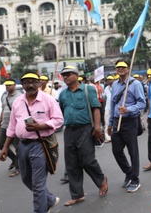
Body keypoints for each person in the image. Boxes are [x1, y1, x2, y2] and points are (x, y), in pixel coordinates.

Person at [0, 72, 63, 213]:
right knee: (26, 179)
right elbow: (12, 126)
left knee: (38, 184)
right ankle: (50, 200)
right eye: (27, 82)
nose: (30, 85)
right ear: (23, 85)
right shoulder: (18, 101)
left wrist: (42, 125)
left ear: (39, 84)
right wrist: (4, 148)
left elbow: (59, 120)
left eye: (33, 81)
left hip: (40, 145)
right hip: (22, 145)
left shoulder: (48, 99)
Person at [58, 66, 108, 206]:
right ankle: (77, 195)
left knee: (88, 160)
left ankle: (102, 180)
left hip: (86, 129)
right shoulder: (63, 94)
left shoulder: (88, 89)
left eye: (68, 74)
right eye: (64, 75)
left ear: (76, 75)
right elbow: (62, 111)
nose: (65, 77)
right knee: (71, 164)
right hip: (69, 131)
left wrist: (97, 127)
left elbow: (96, 108)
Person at [107, 60, 146, 193]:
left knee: (132, 151)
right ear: (116, 70)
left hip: (130, 121)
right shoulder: (115, 85)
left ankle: (135, 179)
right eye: (118, 68)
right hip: (117, 122)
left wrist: (128, 109)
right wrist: (110, 123)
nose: (121, 69)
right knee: (116, 150)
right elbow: (112, 105)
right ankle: (129, 172)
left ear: (128, 69)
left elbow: (142, 103)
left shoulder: (135, 84)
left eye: (123, 67)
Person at [0, 79, 22, 177]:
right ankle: (14, 160)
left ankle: (18, 168)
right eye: (6, 85)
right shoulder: (4, 96)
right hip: (4, 125)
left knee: (17, 147)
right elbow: (3, 111)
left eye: (10, 85)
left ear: (14, 85)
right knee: (1, 144)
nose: (8, 87)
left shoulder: (19, 97)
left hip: (15, 126)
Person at [103, 75, 115, 143]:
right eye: (108, 79)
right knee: (107, 122)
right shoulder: (106, 88)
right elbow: (104, 97)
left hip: (115, 108)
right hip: (107, 107)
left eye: (110, 79)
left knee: (115, 122)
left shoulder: (116, 87)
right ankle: (108, 137)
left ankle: (115, 136)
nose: (109, 81)